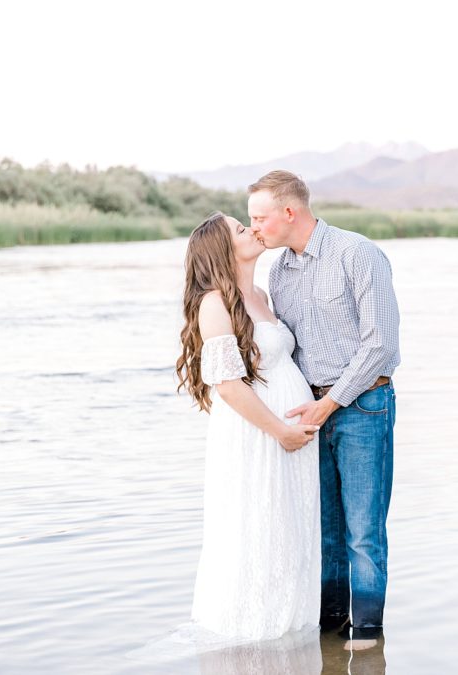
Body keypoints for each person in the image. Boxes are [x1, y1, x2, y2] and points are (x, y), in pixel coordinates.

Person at [247, 171, 400, 649]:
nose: (254, 228)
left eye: (259, 217)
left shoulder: (357, 254)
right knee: (324, 532)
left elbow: (381, 345)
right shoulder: (276, 272)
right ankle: (330, 631)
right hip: (306, 412)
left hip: (362, 407)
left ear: (289, 213)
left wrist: (330, 403)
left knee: (362, 533)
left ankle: (369, 635)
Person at [175, 211, 322, 641]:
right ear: (223, 249)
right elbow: (227, 385)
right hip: (258, 434)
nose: (253, 229)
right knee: (257, 529)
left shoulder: (259, 292)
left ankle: (294, 639)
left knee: (288, 527)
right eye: (241, 229)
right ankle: (253, 637)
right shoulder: (214, 303)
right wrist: (280, 430)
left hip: (287, 433)